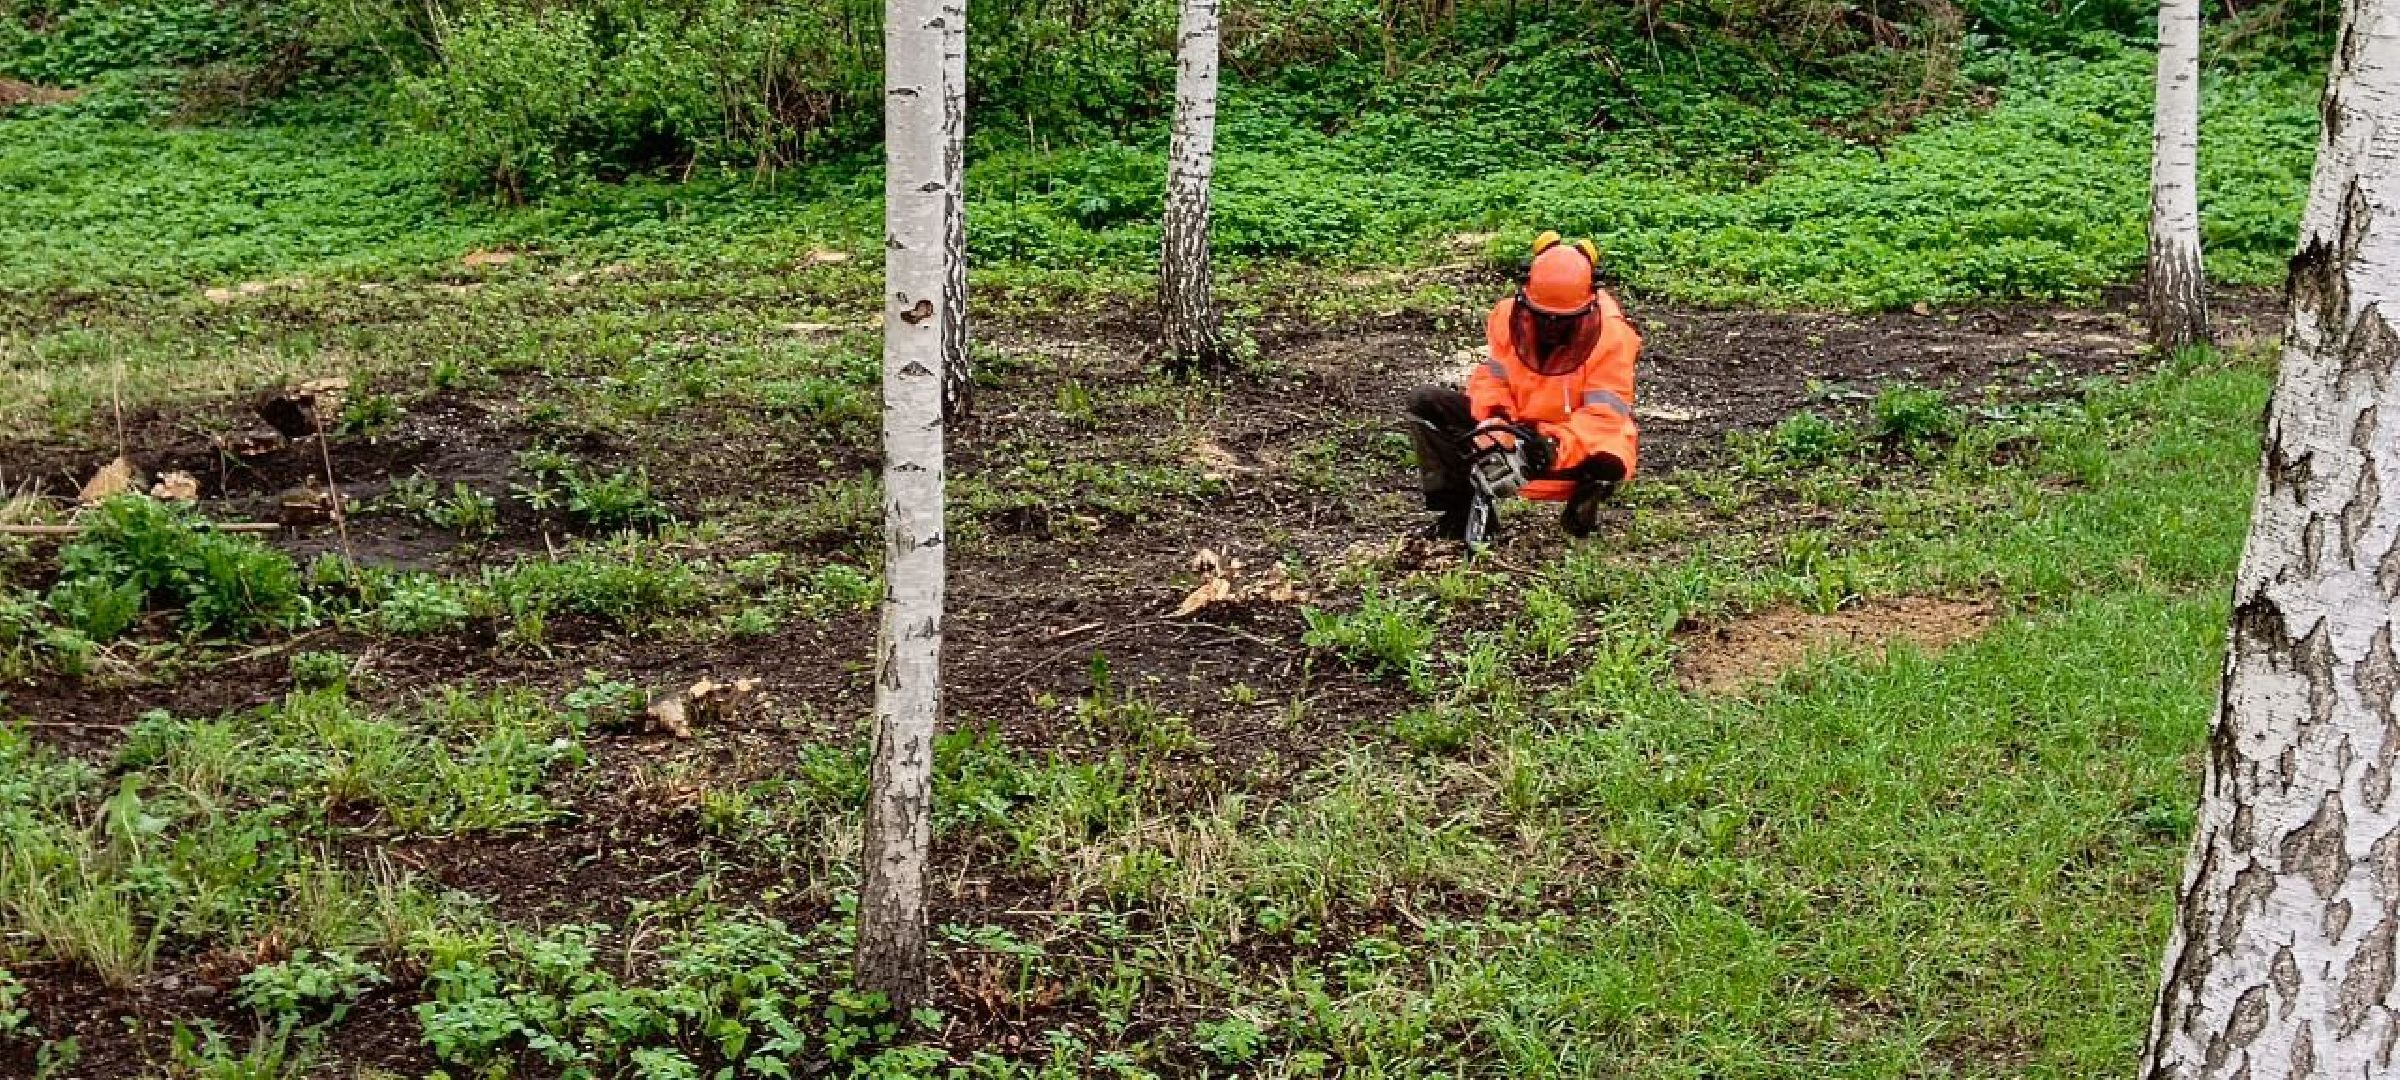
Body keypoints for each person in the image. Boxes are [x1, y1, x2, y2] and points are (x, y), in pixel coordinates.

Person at [1407, 232, 1642, 541]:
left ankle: (1581, 516)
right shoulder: (1508, 317)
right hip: (1514, 426)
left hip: (1568, 448)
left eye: (1562, 321)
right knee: (1426, 403)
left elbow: (1603, 419)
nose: (1551, 328)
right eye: (1543, 318)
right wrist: (1498, 420)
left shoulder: (1613, 337)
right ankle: (1459, 515)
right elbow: (1492, 377)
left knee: (1609, 459)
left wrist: (1548, 446)